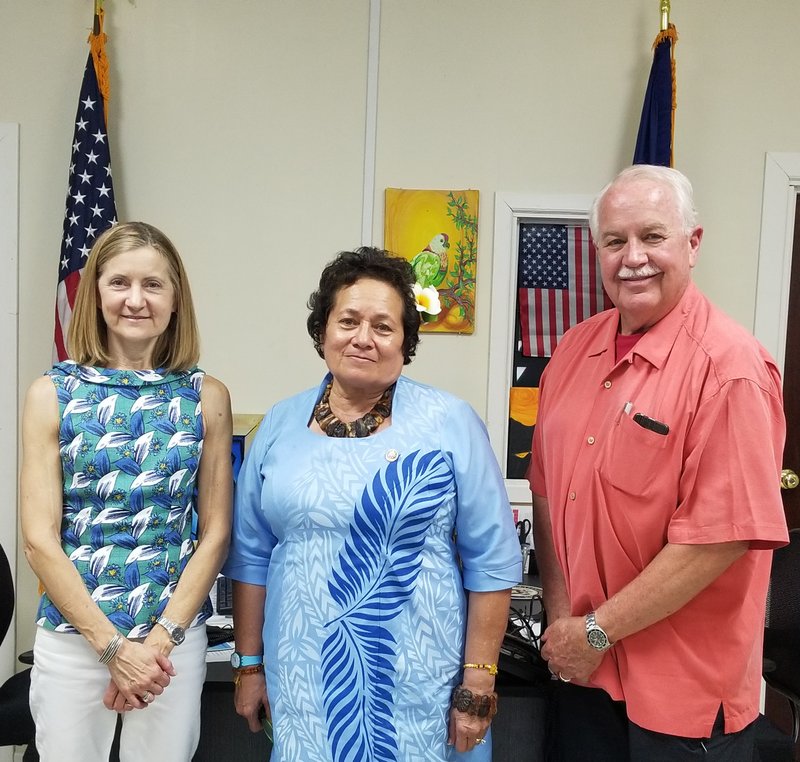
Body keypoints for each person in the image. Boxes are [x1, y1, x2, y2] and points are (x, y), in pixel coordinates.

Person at [528, 165, 789, 761]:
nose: (633, 258)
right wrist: (567, 622)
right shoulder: (572, 349)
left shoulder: (732, 371)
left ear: (692, 244)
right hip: (582, 674)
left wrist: (595, 631)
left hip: (681, 693)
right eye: (615, 242)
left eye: (653, 236)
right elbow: (548, 494)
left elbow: (716, 540)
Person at [223, 247, 521, 760]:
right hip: (302, 681)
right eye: (348, 321)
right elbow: (251, 555)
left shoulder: (450, 423)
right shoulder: (277, 425)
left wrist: (478, 683)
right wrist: (249, 665)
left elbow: (491, 561)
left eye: (384, 326)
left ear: (406, 342)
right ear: (323, 332)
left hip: (421, 685)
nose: (363, 338)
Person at [21, 222, 233, 760]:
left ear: (176, 298)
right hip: (75, 642)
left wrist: (156, 644)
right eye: (119, 283)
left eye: (153, 285)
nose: (135, 300)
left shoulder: (207, 397)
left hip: (170, 649)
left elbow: (214, 535)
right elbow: (38, 541)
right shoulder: (51, 394)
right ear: (96, 293)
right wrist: (112, 647)